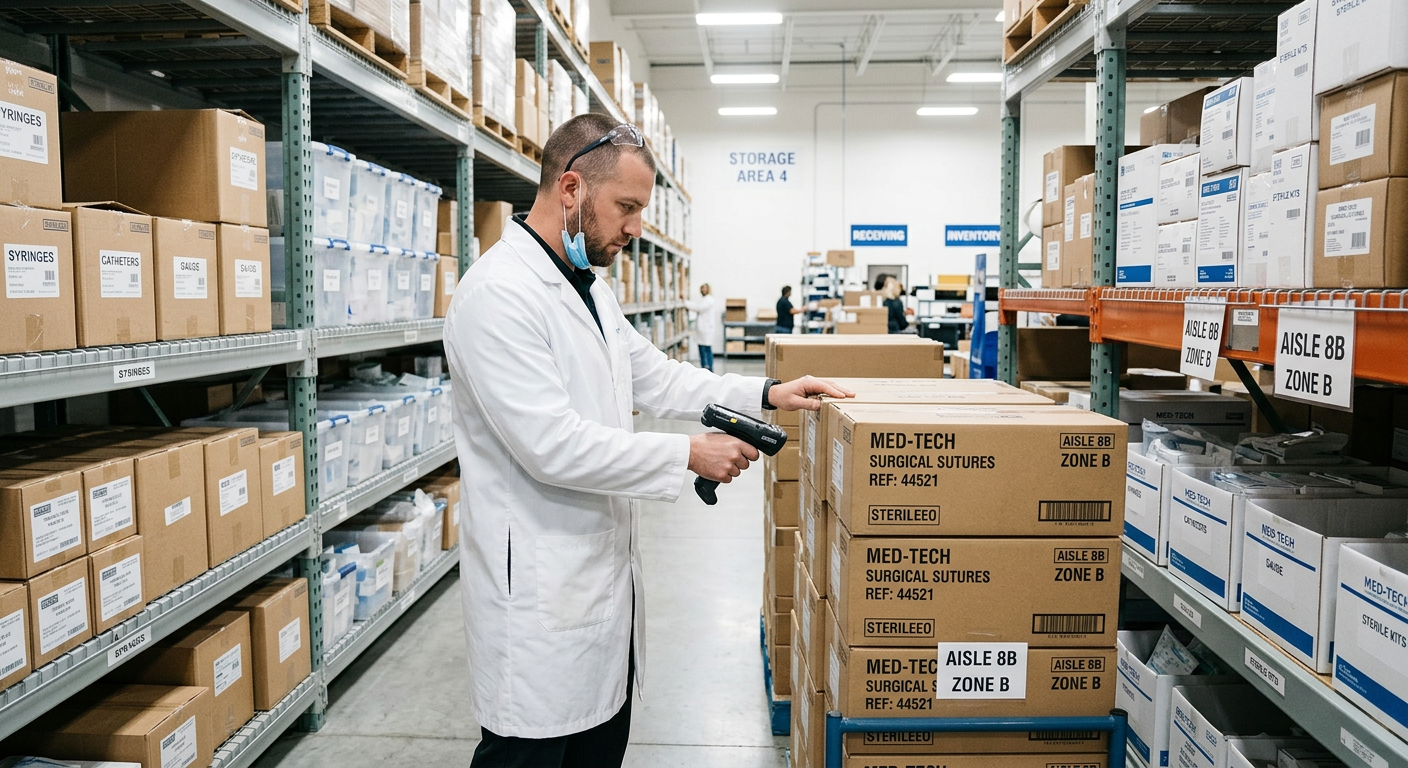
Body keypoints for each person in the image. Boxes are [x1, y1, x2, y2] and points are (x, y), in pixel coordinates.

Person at [442, 113, 853, 768]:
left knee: (599, 747)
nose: (636, 228)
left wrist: (766, 394)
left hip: (598, 592)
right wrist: (689, 452)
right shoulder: (499, 296)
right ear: (571, 188)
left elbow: (656, 378)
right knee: (530, 754)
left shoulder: (590, 291)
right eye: (626, 207)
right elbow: (552, 444)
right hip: (536, 607)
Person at [683, 283, 717, 371]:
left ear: (708, 289)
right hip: (703, 329)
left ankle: (708, 368)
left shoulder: (709, 300)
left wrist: (685, 302)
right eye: (702, 288)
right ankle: (705, 368)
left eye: (705, 288)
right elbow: (696, 306)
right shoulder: (704, 299)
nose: (703, 290)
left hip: (706, 329)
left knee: (706, 349)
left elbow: (698, 307)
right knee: (703, 349)